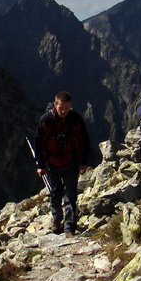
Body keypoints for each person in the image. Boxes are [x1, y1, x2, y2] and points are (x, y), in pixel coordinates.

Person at [33, 91, 90, 236]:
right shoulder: (46, 120)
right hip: (52, 164)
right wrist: (40, 165)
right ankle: (56, 220)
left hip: (71, 162)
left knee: (70, 196)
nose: (64, 111)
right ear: (55, 105)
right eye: (61, 108)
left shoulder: (75, 119)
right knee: (55, 195)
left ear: (70, 106)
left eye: (66, 108)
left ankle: (69, 228)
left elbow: (84, 140)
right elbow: (38, 143)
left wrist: (83, 162)